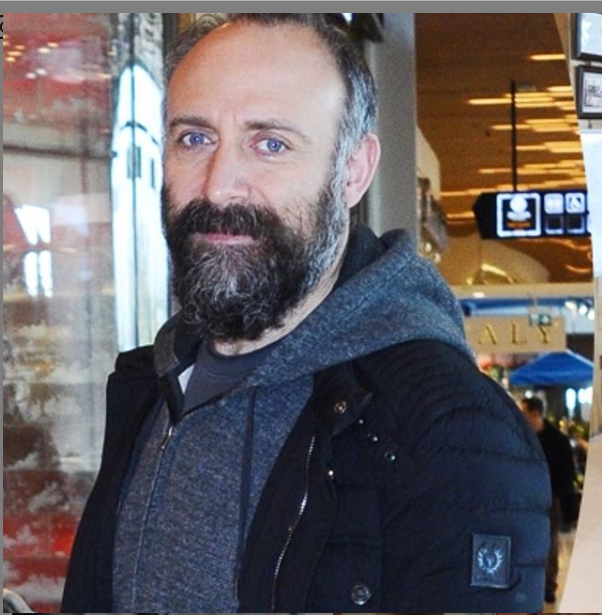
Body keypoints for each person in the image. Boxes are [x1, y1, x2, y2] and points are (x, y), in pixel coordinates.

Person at [62, 13, 551, 613]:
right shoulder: (149, 387)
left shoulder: (450, 430)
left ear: (353, 171)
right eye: (194, 139)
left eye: (271, 144)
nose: (219, 186)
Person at [521, 396, 579, 604]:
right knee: (527, 542)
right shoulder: (523, 437)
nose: (521, 417)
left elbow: (567, 473)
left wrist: (565, 502)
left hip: (549, 499)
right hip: (526, 499)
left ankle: (547, 586)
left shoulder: (558, 440)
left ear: (535, 414)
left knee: (549, 543)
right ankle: (530, 584)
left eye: (524, 413)